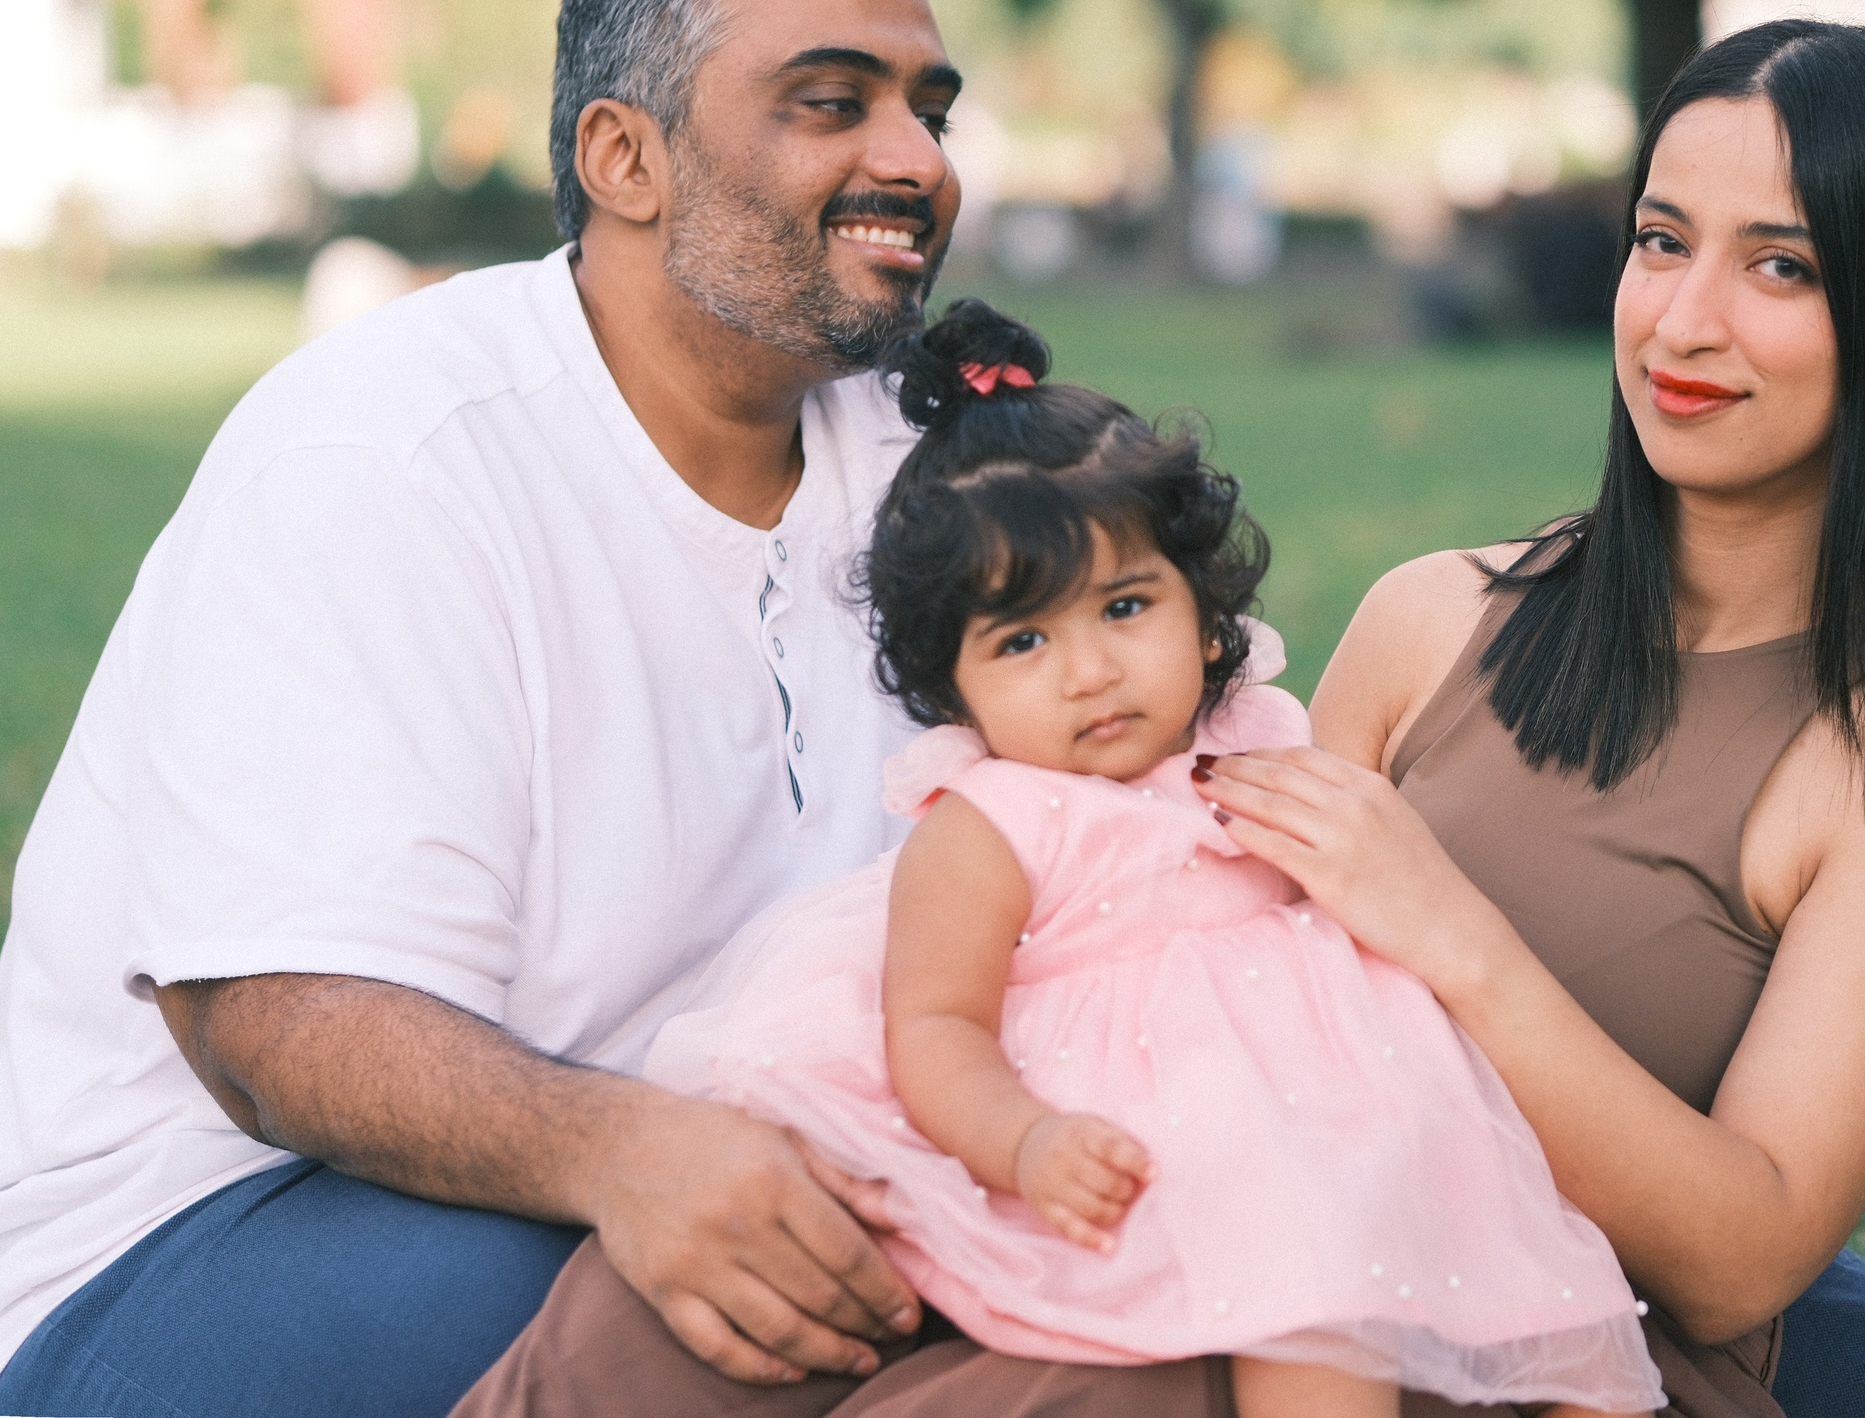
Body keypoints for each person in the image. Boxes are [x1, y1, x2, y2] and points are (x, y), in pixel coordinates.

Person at [459, 20, 1865, 1418]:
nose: (1685, 320)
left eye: (1781, 266)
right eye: (1661, 238)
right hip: (1169, 1211)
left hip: (1496, 1338)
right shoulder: (1440, 613)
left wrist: (1453, 934)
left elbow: (1743, 1261)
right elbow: (1157, 915)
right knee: (698, 1307)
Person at [0, 0, 973, 1417]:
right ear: (624, 156)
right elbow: (277, 1029)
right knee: (708, 1321)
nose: (917, 160)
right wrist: (630, 1152)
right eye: (832, 102)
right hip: (206, 1256)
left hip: (713, 1187)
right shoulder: (388, 450)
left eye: (931, 110)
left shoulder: (941, 466)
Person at [636, 298, 1664, 1417]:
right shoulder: (990, 823)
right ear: (950, 686)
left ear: (1204, 612)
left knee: (1526, 1295)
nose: (1089, 671)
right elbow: (933, 1024)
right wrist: (1024, 1141)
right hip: (1141, 1135)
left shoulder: (1254, 736)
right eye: (1024, 640)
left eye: (1125, 606)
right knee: (1310, 1294)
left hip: (1331, 1108)